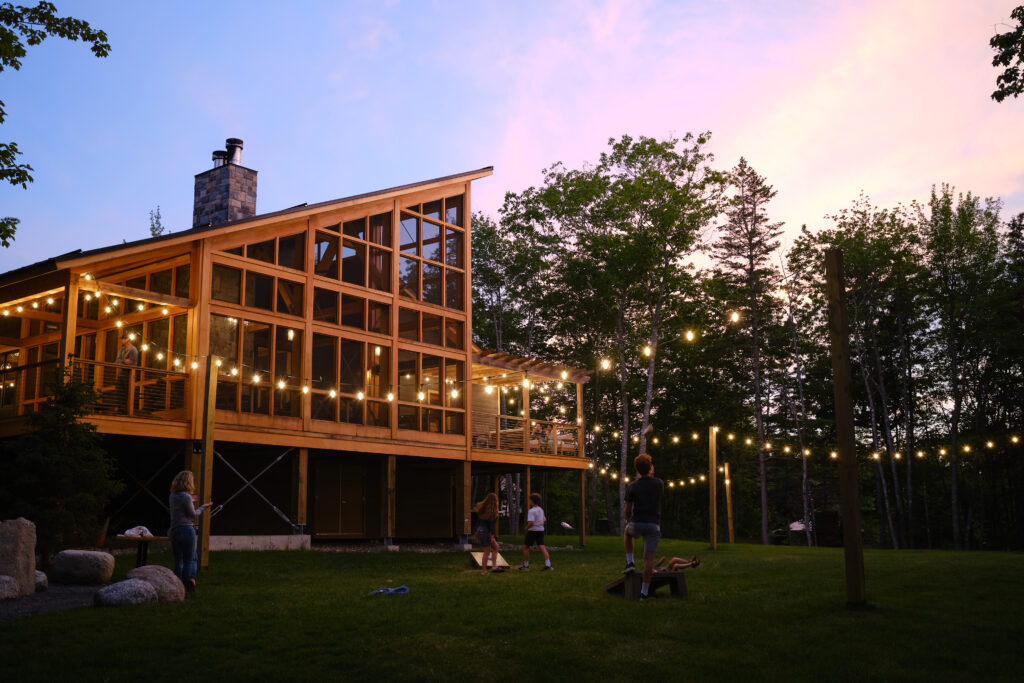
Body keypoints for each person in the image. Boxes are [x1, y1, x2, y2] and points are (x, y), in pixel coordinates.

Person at [622, 453, 663, 601]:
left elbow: (627, 510)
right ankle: (643, 593)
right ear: (650, 468)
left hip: (637, 522)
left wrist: (628, 520)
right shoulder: (659, 483)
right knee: (648, 559)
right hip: (653, 525)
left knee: (627, 533)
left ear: (637, 470)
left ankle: (630, 562)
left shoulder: (633, 486)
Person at [168, 470, 212, 593]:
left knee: (178, 559)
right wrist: (204, 507)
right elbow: (192, 515)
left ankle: (177, 585)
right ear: (189, 482)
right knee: (189, 559)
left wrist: (190, 501)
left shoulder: (172, 496)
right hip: (187, 529)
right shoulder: (186, 497)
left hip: (175, 530)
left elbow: (180, 508)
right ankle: (188, 584)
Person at [518, 492, 552, 571]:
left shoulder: (532, 511)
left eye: (530, 500)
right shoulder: (541, 509)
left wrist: (526, 528)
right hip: (541, 530)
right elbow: (544, 520)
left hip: (533, 531)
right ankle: (548, 565)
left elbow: (531, 522)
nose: (529, 501)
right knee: (542, 547)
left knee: (525, 547)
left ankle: (526, 566)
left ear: (532, 501)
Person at [474, 492, 500, 574]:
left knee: (496, 547)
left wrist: (476, 533)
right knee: (487, 552)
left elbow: (478, 522)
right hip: (486, 532)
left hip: (480, 530)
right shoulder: (494, 512)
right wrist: (492, 536)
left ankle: (494, 566)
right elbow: (491, 526)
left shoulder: (482, 509)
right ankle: (484, 571)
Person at [114, 334, 138, 412]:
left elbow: (132, 364)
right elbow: (117, 361)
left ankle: (127, 409)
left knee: (127, 392)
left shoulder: (133, 350)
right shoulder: (122, 349)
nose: (122, 340)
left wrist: (123, 363)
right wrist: (124, 361)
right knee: (118, 391)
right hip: (121, 374)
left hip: (129, 375)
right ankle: (118, 408)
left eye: (123, 339)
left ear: (127, 339)